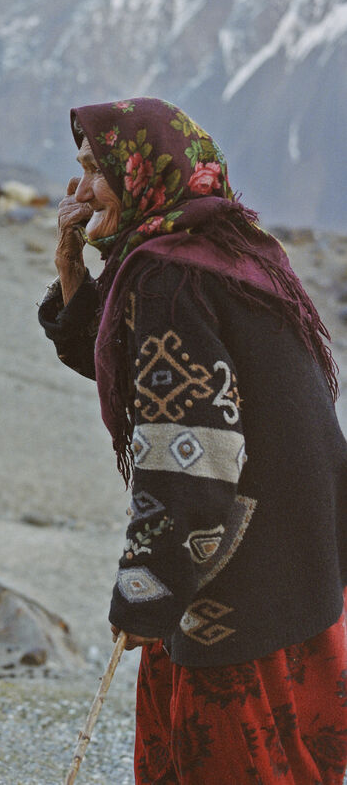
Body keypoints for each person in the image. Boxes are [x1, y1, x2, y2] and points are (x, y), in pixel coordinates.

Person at [38, 97, 346, 784]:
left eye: (97, 168)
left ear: (142, 173)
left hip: (240, 584)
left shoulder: (166, 276)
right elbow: (149, 373)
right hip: (305, 566)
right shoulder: (233, 249)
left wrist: (145, 591)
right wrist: (71, 273)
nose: (80, 189)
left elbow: (194, 450)